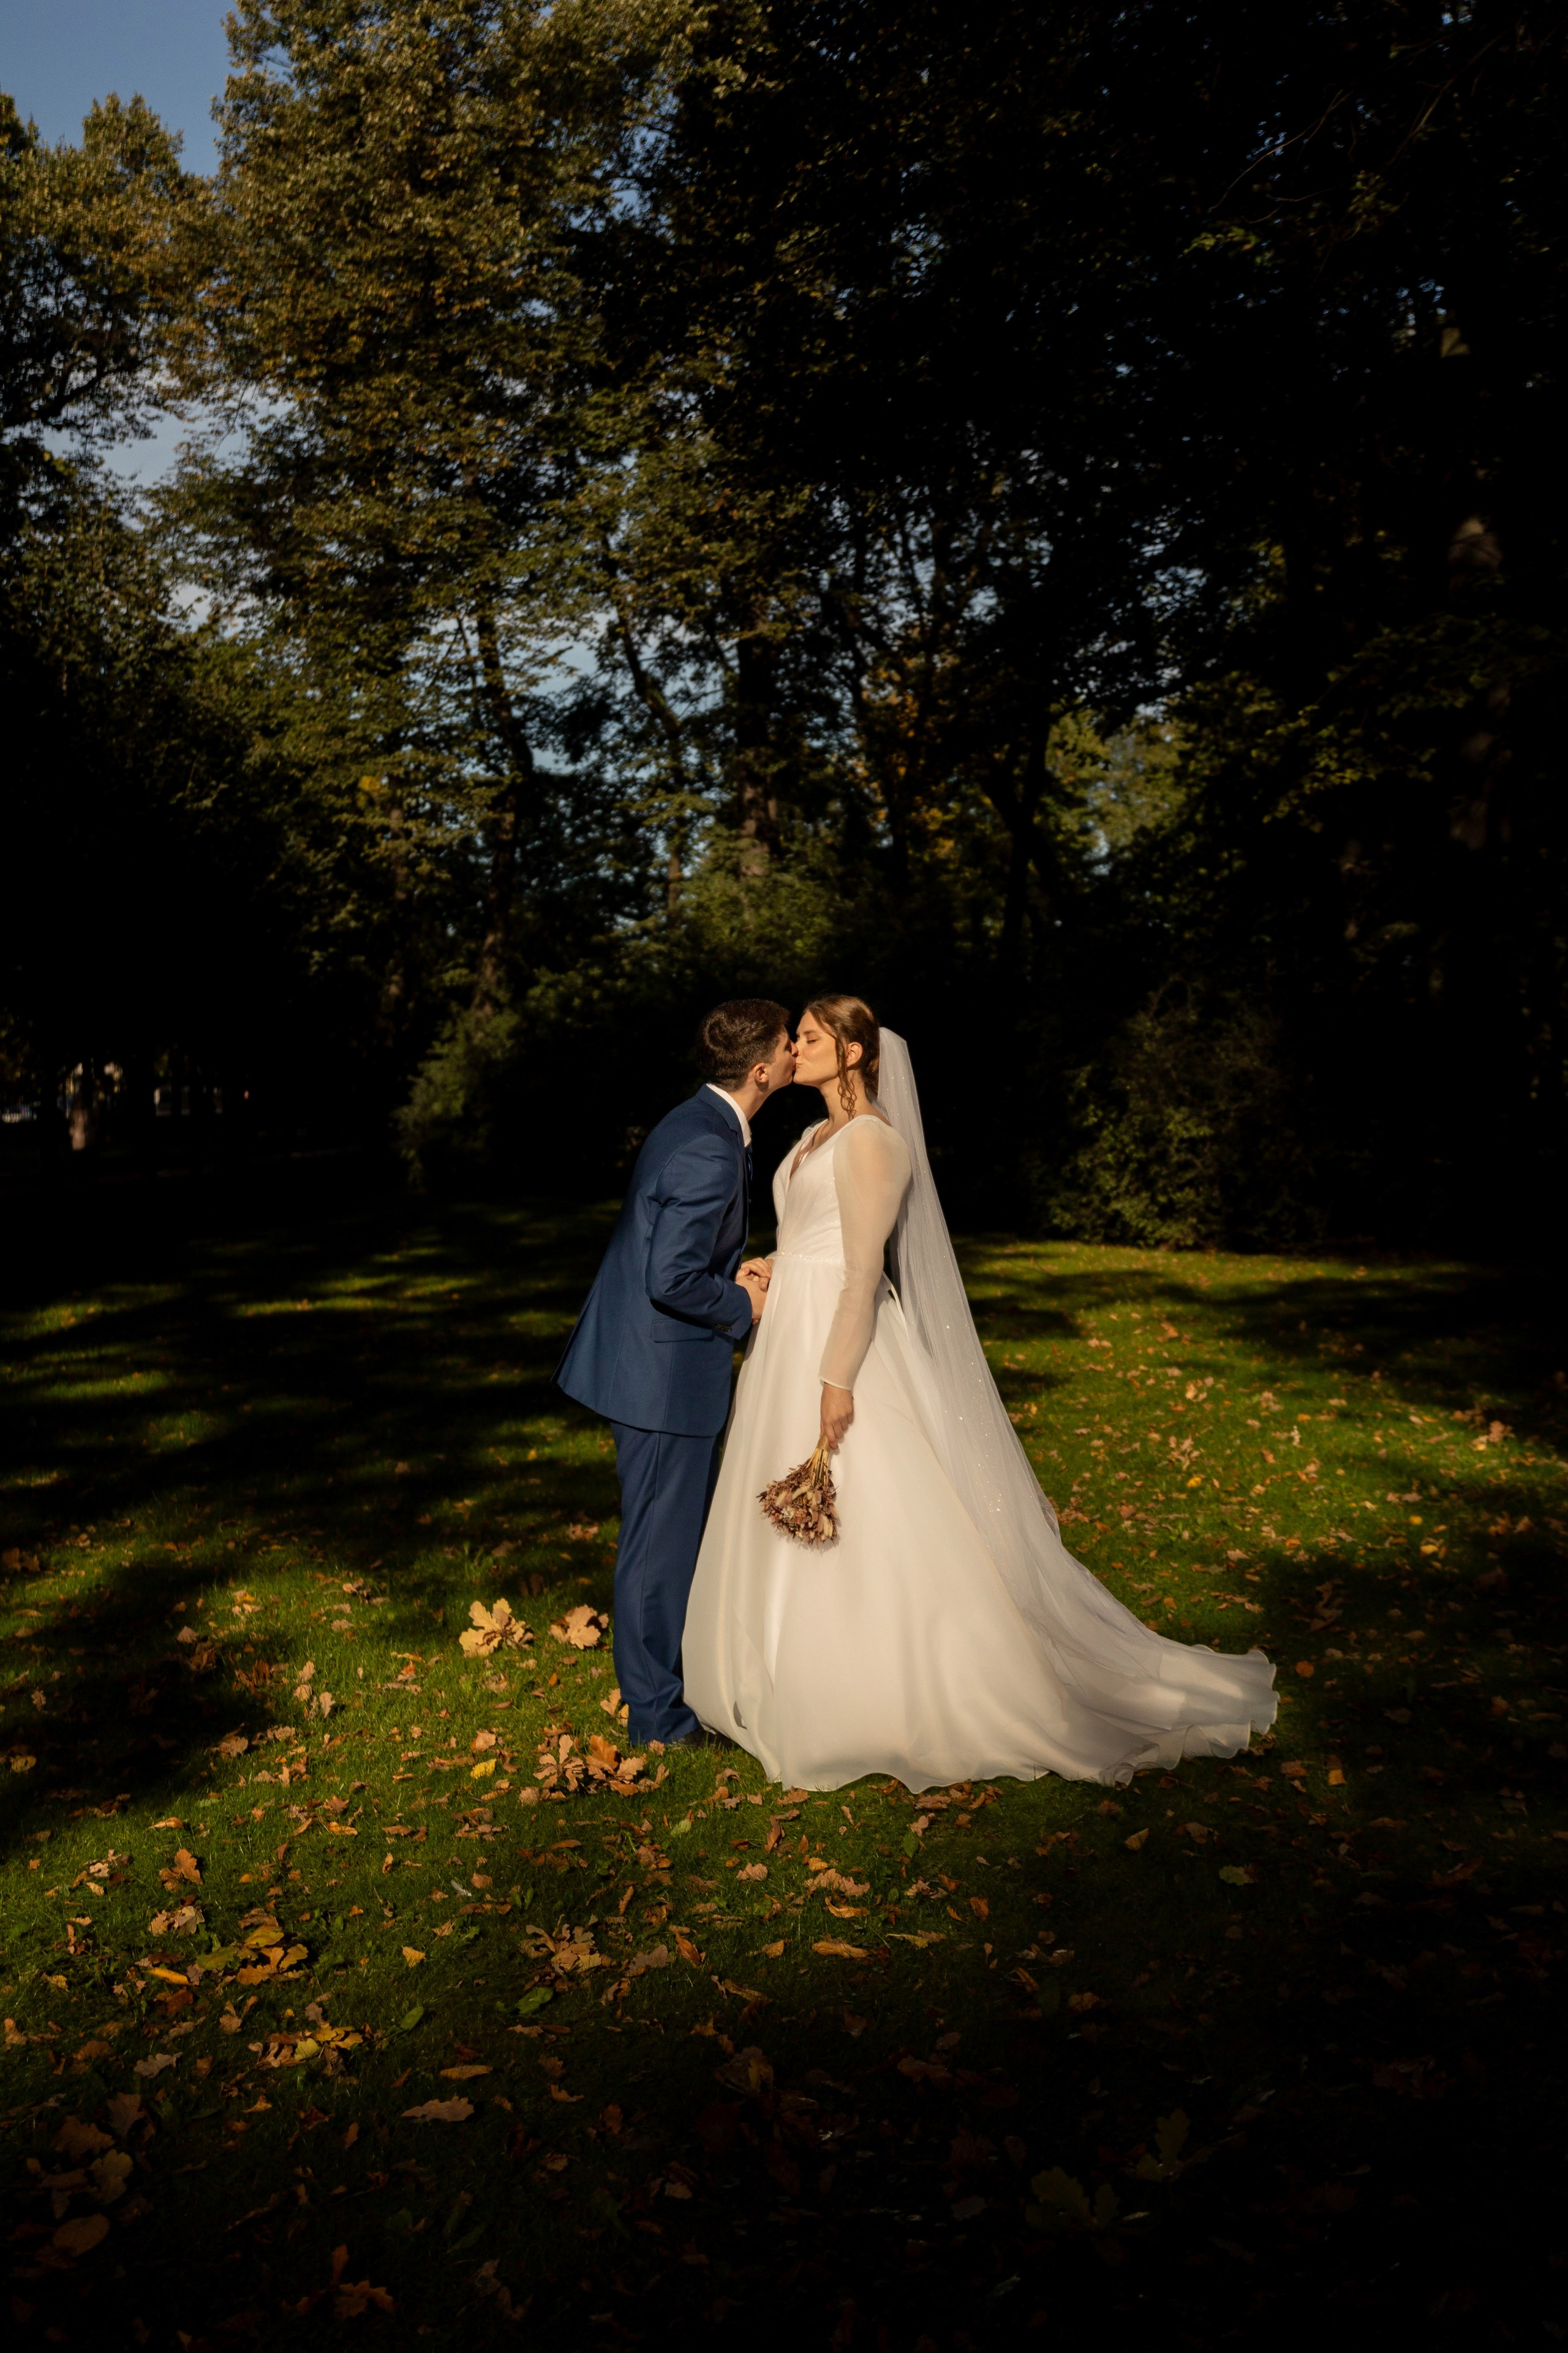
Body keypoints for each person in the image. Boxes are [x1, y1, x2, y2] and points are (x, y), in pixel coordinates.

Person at [681, 994, 1277, 1791]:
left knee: (869, 1510)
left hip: (841, 1346)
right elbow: (818, 1245)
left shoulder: (872, 1143)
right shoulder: (808, 1138)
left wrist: (836, 1378)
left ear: (855, 1053)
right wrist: (774, 1266)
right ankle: (776, 1672)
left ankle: (877, 1687)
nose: (800, 1049)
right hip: (790, 1332)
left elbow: (863, 1272)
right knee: (785, 1506)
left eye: (815, 1038)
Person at [556, 999, 794, 1748]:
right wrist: (744, 1302)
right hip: (660, 1379)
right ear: (761, 1070)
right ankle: (657, 1717)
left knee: (663, 1539)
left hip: (649, 1363)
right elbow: (673, 1276)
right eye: (789, 1044)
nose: (796, 1052)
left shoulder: (699, 1121)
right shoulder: (710, 1146)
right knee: (658, 1549)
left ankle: (669, 1691)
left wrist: (737, 1267)